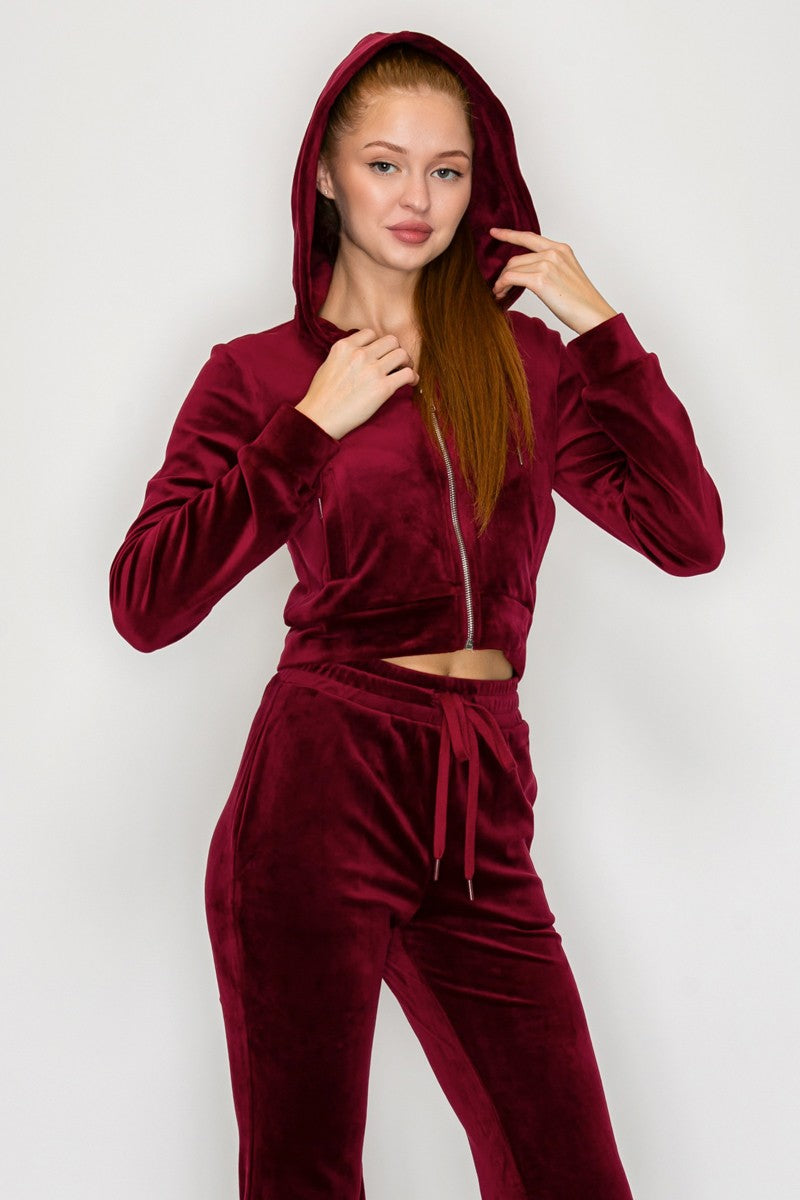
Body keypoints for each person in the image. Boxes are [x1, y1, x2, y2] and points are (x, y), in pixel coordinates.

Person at [109, 28, 724, 1200]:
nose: (416, 199)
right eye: (384, 165)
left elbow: (686, 533)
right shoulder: (259, 373)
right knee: (304, 1175)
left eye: (445, 170)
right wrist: (306, 428)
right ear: (326, 175)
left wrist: (598, 328)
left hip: (481, 794)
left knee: (569, 1175)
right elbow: (146, 601)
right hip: (320, 782)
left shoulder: (525, 366)